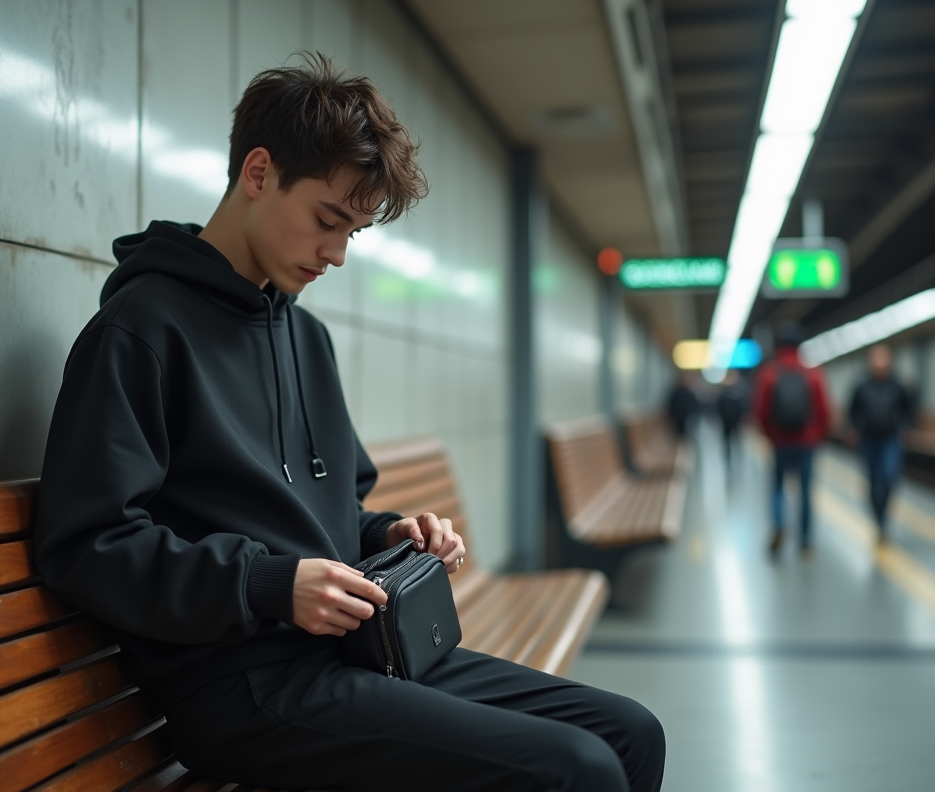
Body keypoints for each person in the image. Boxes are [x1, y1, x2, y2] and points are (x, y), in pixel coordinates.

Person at [34, 55, 664, 792]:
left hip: (364, 651)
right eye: (328, 221)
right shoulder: (142, 330)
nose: (335, 254)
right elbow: (88, 543)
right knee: (575, 770)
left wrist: (391, 534)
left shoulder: (305, 338)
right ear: (259, 173)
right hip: (247, 686)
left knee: (628, 734)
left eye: (353, 234)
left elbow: (334, 513)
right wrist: (266, 585)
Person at [752, 322, 832, 559]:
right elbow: (824, 410)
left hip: (780, 441)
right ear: (800, 347)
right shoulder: (813, 373)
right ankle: (806, 542)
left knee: (777, 486)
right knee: (806, 490)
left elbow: (761, 410)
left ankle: (778, 525)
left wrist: (769, 434)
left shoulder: (769, 373)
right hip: (807, 441)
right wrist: (818, 435)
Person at [848, 344, 915, 544]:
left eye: (883, 358)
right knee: (872, 482)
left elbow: (909, 410)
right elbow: (852, 411)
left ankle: (883, 519)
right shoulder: (861, 386)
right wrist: (854, 429)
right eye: (876, 358)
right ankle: (879, 521)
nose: (879, 362)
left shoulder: (898, 385)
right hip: (868, 440)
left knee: (888, 477)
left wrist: (906, 428)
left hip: (890, 439)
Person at [716, 371, 749, 473]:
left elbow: (742, 408)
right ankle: (728, 459)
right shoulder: (724, 394)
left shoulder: (737, 393)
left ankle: (738, 459)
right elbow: (718, 408)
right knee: (727, 442)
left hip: (735, 422)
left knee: (737, 441)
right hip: (726, 423)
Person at [666, 371, 700, 439]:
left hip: (688, 421)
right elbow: (671, 406)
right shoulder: (676, 393)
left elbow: (695, 406)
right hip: (677, 421)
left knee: (688, 438)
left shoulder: (690, 393)